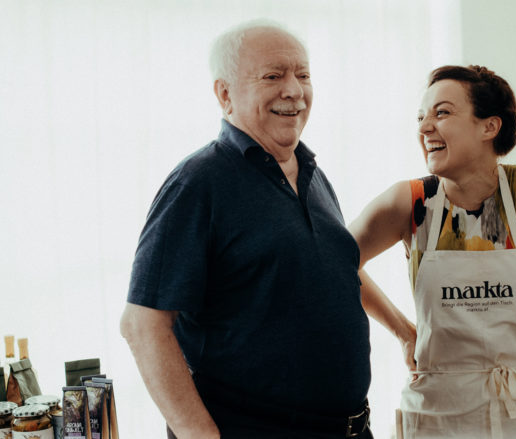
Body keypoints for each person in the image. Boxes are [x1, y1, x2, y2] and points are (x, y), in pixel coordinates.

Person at [120, 21, 373, 439]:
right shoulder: (198, 183)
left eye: (303, 75)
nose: (294, 90)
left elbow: (337, 271)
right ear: (225, 94)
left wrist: (403, 330)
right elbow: (142, 325)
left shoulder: (313, 175)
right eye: (274, 76)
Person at [349, 65, 516, 439]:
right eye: (421, 117)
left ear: (489, 127)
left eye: (442, 112)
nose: (425, 127)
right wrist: (403, 333)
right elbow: (338, 264)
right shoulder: (411, 201)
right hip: (438, 412)